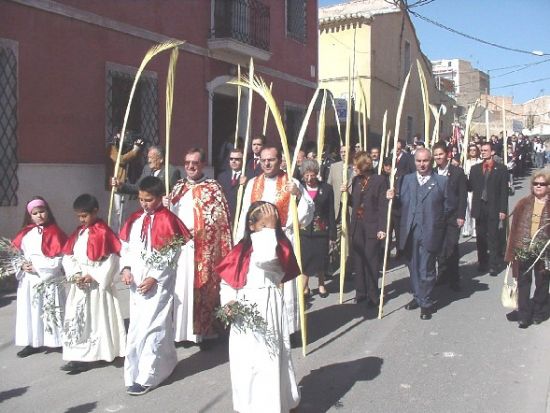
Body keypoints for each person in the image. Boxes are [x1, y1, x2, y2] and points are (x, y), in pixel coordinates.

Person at [217, 202, 301, 413]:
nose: (267, 229)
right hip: (243, 306)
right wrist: (228, 301)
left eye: (271, 224)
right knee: (245, 360)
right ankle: (248, 406)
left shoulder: (278, 244)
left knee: (268, 358)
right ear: (251, 226)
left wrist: (271, 230)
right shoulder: (241, 249)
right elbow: (227, 281)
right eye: (262, 225)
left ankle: (273, 406)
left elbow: (267, 260)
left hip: (267, 304)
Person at [119, 176, 192, 395]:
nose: (144, 203)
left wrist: (155, 277)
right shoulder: (135, 219)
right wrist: (126, 269)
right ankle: (158, 363)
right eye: (141, 199)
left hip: (158, 283)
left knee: (154, 326)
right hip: (136, 283)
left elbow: (171, 252)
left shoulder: (167, 220)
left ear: (160, 198)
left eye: (149, 199)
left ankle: (148, 375)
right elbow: (127, 247)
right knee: (137, 327)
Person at [236, 145, 314, 336]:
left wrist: (297, 194)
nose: (267, 163)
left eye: (271, 159)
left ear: (280, 160)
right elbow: (246, 212)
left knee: (286, 286)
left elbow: (307, 213)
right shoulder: (253, 183)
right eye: (263, 160)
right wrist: (240, 241)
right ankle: (262, 324)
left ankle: (288, 329)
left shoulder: (291, 182)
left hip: (284, 239)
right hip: (258, 242)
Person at [168, 148, 233, 348]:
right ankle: (181, 333)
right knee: (180, 288)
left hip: (204, 248)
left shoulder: (213, 188)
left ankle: (205, 332)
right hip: (181, 248)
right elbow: (168, 219)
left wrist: (202, 232)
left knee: (204, 289)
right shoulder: (177, 188)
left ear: (202, 164)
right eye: (187, 163)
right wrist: (165, 205)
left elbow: (221, 220)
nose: (190, 166)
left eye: (194, 163)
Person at [60, 194, 126, 373]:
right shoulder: (79, 232)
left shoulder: (104, 232)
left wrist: (95, 275)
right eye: (79, 216)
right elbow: (69, 255)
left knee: (98, 320)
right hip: (81, 283)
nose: (81, 220)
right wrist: (75, 273)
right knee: (78, 318)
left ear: (95, 211)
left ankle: (102, 352)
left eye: (84, 216)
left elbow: (112, 258)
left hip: (97, 285)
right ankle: (78, 356)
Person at [387, 148, 452, 320]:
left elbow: (448, 207)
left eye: (425, 161)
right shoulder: (405, 180)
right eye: (418, 161)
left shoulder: (441, 181)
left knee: (427, 269)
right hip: (409, 232)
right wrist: (392, 198)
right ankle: (418, 296)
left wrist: (437, 222)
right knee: (413, 267)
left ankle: (426, 302)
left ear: (431, 162)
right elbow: (399, 207)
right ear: (414, 162)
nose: (422, 164)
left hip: (430, 232)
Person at [12, 197, 67, 358]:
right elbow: (17, 255)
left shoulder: (56, 232)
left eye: (42, 211)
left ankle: (58, 340)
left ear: (48, 211)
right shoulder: (25, 234)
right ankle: (33, 342)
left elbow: (60, 257)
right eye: (35, 213)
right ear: (30, 216)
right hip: (29, 280)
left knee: (51, 310)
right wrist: (22, 265)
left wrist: (40, 268)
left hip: (48, 278)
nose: (39, 216)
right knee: (32, 310)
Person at [504, 170, 550, 328]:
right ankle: (524, 315)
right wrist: (511, 253)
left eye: (542, 184)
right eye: (535, 184)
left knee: (542, 283)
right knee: (523, 283)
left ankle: (539, 312)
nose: (538, 186)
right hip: (523, 249)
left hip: (544, 252)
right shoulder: (523, 203)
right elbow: (514, 228)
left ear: (548, 186)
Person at [346, 152, 388, 306]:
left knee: (371, 260)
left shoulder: (380, 180)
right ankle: (360, 292)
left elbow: (383, 206)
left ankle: (372, 295)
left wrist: (382, 228)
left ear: (363, 165)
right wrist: (346, 195)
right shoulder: (356, 180)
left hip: (372, 225)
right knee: (358, 260)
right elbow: (354, 203)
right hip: (357, 225)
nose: (353, 167)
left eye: (355, 164)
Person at [468, 142, 508, 276]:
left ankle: (493, 264)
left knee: (493, 236)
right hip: (479, 207)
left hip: (493, 207)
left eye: (485, 150)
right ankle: (482, 262)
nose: (483, 152)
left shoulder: (501, 169)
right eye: (482, 150)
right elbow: (469, 187)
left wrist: (503, 210)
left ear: (492, 152)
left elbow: (504, 191)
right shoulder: (475, 169)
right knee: (480, 237)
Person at [432, 142, 467, 291]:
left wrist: (461, 215)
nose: (438, 157)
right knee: (439, 248)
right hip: (437, 217)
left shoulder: (457, 172)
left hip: (453, 216)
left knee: (451, 247)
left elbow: (463, 196)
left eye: (440, 154)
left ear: (447, 154)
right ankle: (443, 274)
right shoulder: (432, 172)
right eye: (435, 155)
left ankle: (454, 278)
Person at [299, 159, 336, 298]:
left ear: (316, 173)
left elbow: (330, 212)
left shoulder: (326, 189)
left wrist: (333, 234)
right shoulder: (299, 188)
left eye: (312, 175)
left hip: (321, 230)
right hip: (303, 231)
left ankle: (321, 284)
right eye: (306, 175)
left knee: (320, 258)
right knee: (305, 260)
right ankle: (305, 287)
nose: (309, 178)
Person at [112, 145, 181, 195]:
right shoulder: (147, 169)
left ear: (161, 159)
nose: (149, 161)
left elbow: (176, 194)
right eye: (148, 158)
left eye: (152, 158)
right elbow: (138, 187)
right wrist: (120, 185)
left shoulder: (171, 172)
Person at [217, 147, 245, 223]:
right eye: (231, 159)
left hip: (241, 217)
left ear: (243, 160)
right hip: (225, 217)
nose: (233, 161)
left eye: (237, 159)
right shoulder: (222, 176)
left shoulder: (248, 176)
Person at [462, 144, 481, 237]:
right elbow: (465, 175)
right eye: (471, 150)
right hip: (469, 187)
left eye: (474, 150)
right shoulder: (467, 162)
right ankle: (467, 229)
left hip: (477, 187)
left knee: (475, 208)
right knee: (468, 208)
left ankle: (475, 229)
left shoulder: (480, 161)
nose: (473, 152)